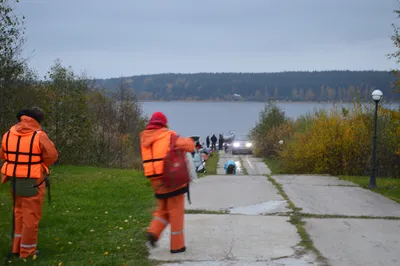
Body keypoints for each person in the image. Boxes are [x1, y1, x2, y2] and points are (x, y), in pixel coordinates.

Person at [0, 107, 58, 260]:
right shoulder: (39, 136)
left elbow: (4, 154)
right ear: (37, 121)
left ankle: (16, 248)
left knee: (18, 212)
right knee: (31, 216)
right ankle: (27, 251)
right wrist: (37, 164)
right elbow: (52, 156)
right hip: (33, 180)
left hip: (13, 179)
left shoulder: (8, 134)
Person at [140, 111, 195, 254]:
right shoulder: (168, 135)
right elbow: (189, 146)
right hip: (172, 181)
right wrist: (189, 140)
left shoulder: (145, 138)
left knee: (163, 210)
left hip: (156, 182)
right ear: (163, 123)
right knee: (176, 212)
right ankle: (177, 246)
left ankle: (153, 232)